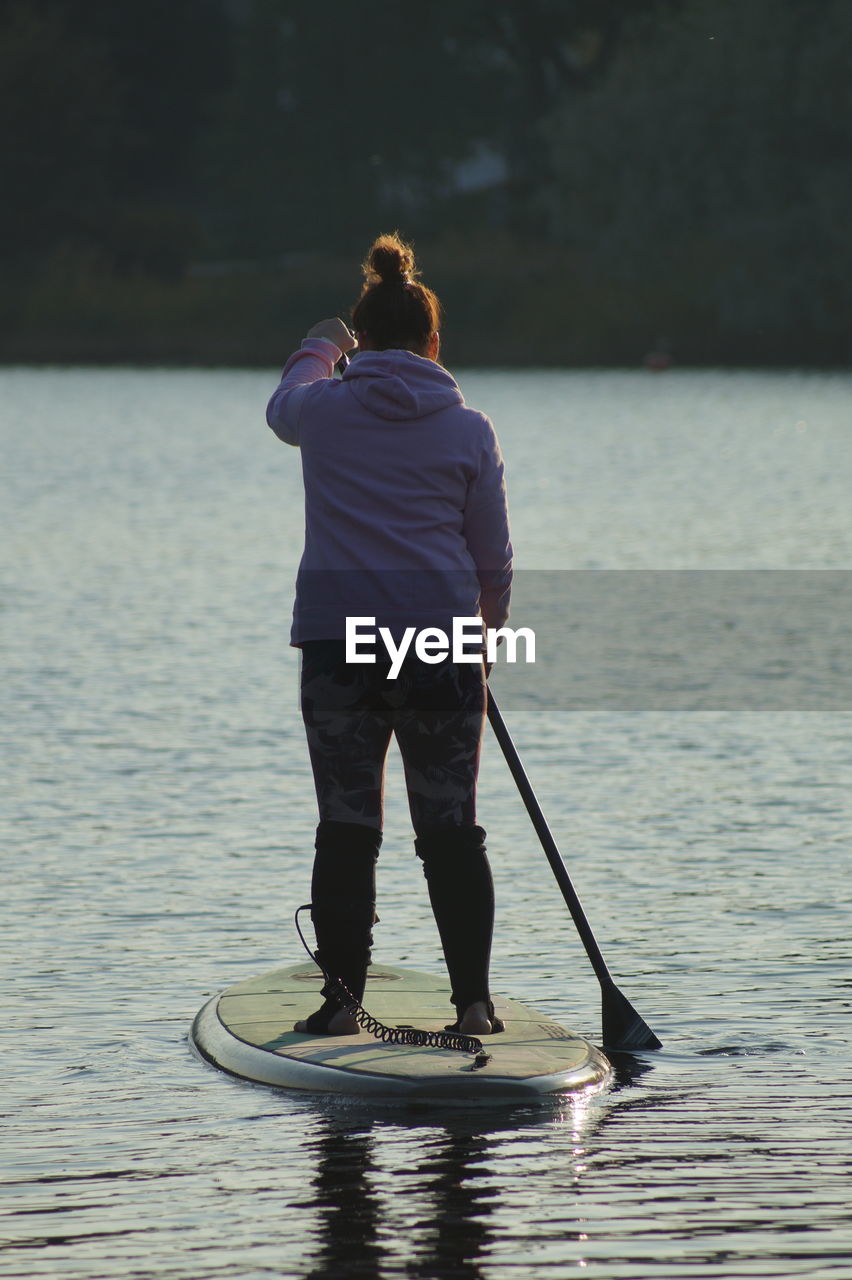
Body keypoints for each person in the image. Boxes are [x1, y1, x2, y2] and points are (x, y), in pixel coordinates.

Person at [266, 233, 513, 1037]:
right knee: (451, 830)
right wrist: (487, 629)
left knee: (347, 826)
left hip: (340, 648)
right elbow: (492, 557)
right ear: (434, 343)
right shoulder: (470, 429)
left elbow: (281, 405)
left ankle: (342, 1006)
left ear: (360, 346)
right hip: (440, 647)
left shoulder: (325, 410)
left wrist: (319, 344)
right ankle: (473, 1007)